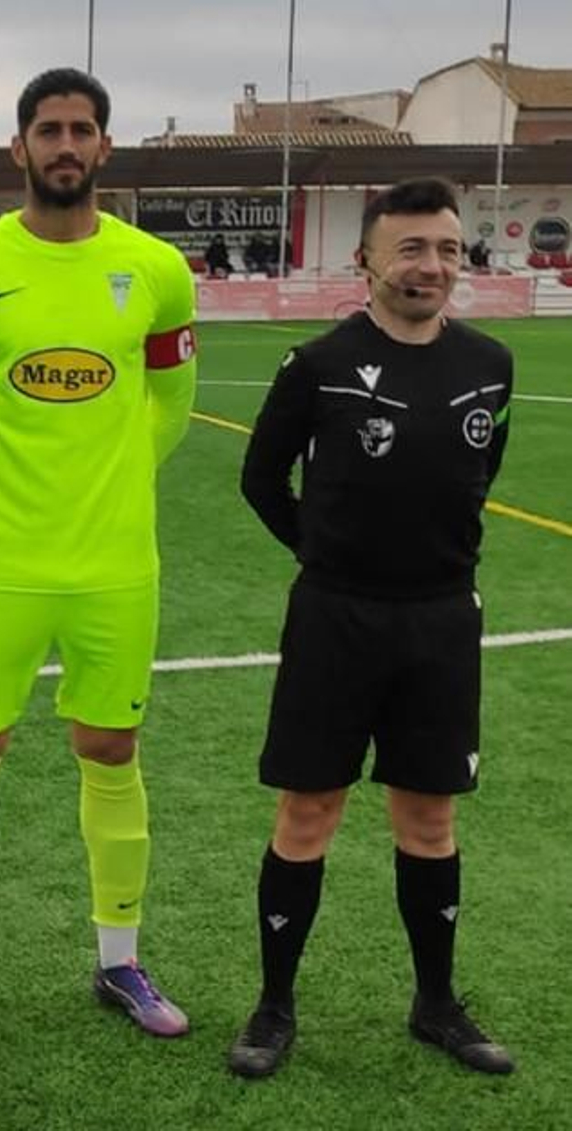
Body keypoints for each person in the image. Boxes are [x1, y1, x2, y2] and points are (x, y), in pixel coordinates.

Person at [0, 68, 198, 1045]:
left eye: (81, 129)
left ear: (104, 147)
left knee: (109, 749)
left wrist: (106, 482)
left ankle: (120, 961)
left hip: (117, 567)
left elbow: (169, 407)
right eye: (47, 129)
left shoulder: (156, 271)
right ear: (17, 146)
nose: (64, 144)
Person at [228, 177, 515, 1079]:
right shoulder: (315, 364)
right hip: (335, 619)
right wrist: (325, 553)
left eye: (447, 249)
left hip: (440, 621)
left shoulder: (492, 363)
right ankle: (275, 1006)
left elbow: (479, 471)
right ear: (367, 261)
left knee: (429, 819)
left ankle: (435, 1003)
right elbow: (262, 480)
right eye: (412, 249)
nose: (432, 266)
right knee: (308, 811)